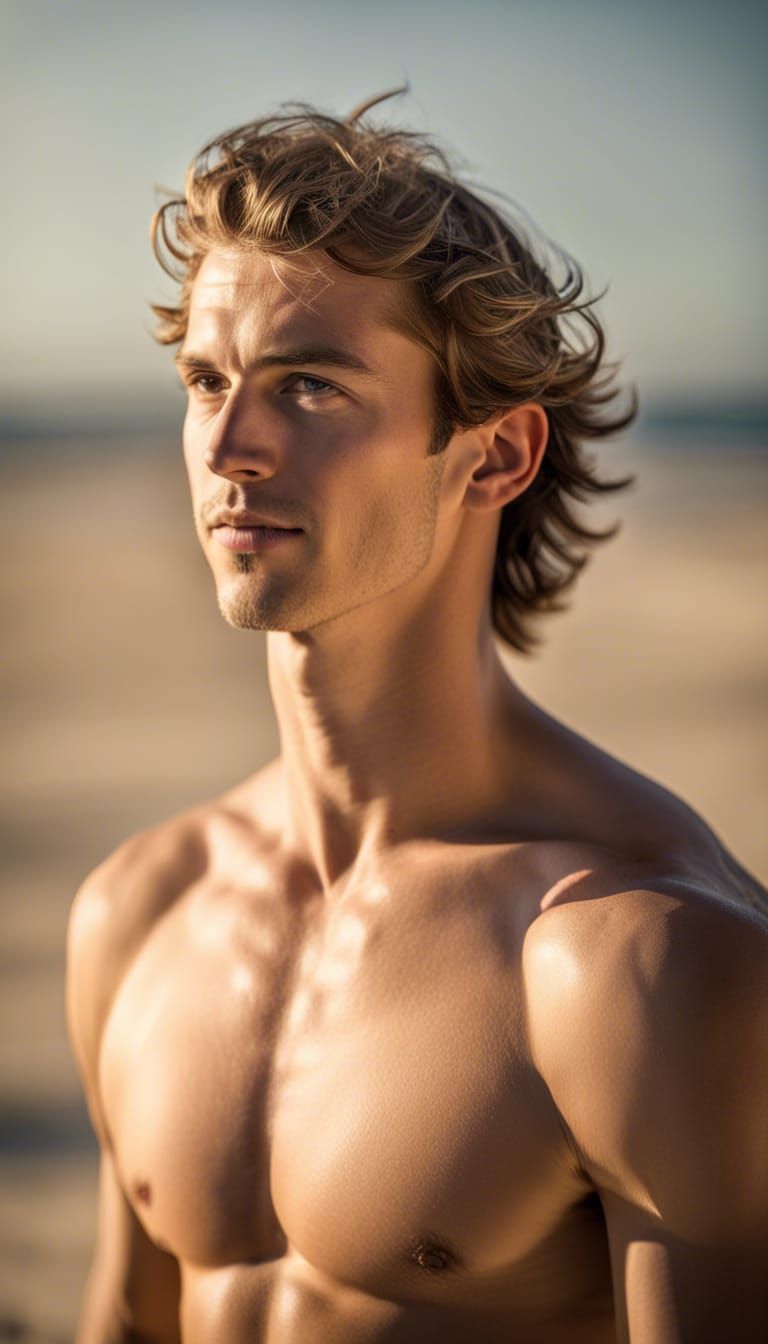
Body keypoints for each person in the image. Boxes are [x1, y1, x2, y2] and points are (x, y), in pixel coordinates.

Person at [66, 91, 768, 1343]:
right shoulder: (141, 910)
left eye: (312, 389)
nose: (229, 443)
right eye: (207, 380)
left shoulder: (639, 969)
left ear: (494, 458)